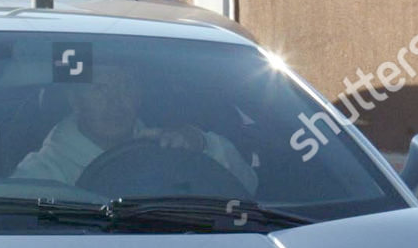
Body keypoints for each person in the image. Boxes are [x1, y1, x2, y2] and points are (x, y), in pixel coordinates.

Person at [15, 65, 258, 194]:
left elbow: (248, 186)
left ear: (139, 96)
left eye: (126, 86)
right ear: (75, 101)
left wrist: (200, 144)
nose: (116, 102)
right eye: (100, 89)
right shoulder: (42, 173)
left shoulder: (170, 149)